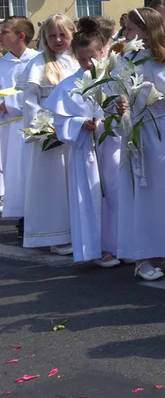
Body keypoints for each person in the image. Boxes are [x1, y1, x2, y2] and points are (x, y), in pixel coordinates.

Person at [118, 8, 165, 280]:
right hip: (135, 135)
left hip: (162, 134)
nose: (126, 35)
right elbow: (115, 95)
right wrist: (118, 107)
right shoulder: (127, 59)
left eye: (131, 29)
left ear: (148, 31)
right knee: (140, 196)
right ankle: (142, 255)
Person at [42, 16, 117, 266]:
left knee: (115, 196)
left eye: (92, 58)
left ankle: (119, 243)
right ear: (76, 57)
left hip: (112, 147)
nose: (88, 64)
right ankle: (98, 248)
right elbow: (61, 123)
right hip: (85, 150)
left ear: (102, 53)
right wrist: (80, 124)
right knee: (91, 197)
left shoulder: (113, 80)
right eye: (83, 59)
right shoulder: (67, 86)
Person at [20, 15, 78, 254]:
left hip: (75, 132)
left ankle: (77, 230)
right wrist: (42, 129)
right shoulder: (38, 64)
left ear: (72, 35)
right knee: (52, 184)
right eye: (52, 35)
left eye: (63, 35)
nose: (57, 40)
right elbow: (30, 102)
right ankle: (56, 234)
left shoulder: (77, 61)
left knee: (74, 183)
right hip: (49, 134)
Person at [0, 17, 39, 229]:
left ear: (20, 36)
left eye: (5, 31)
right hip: (9, 130)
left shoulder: (38, 60)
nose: (0, 36)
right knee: (15, 172)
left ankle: (37, 216)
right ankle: (23, 218)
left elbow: (42, 92)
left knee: (34, 171)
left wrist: (9, 104)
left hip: (34, 124)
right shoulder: (1, 63)